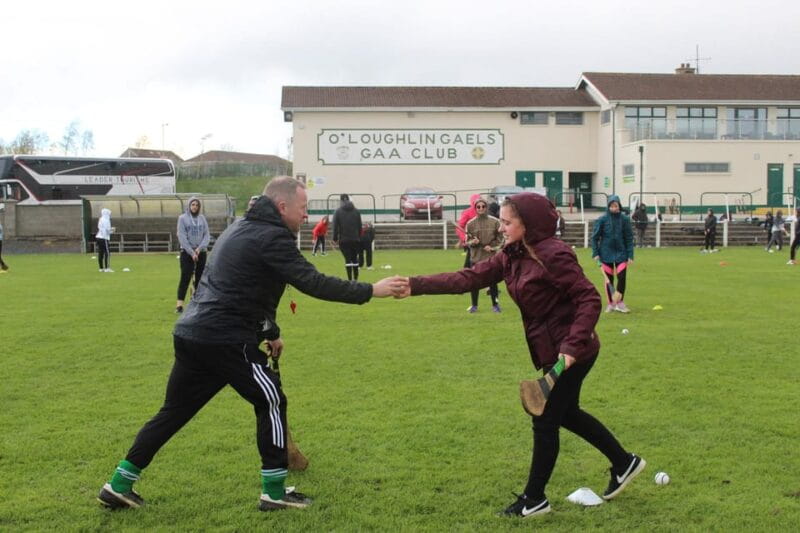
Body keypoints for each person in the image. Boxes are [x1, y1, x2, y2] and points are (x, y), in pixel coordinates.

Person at [97, 177, 405, 512]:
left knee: (173, 413)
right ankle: (274, 492)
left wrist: (270, 331)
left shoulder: (241, 226)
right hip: (224, 338)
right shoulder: (272, 236)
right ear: (283, 206)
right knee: (271, 398)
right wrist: (371, 290)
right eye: (303, 208)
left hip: (193, 334)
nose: (306, 216)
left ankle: (119, 485)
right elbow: (312, 282)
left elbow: (242, 285)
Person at [397, 192, 645, 518]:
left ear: (527, 224)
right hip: (550, 352)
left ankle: (534, 499)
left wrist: (570, 349)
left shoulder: (554, 255)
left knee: (545, 420)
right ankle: (624, 462)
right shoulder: (512, 254)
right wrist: (415, 285)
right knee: (566, 414)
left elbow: (589, 299)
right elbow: (469, 277)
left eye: (508, 221)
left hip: (574, 352)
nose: (502, 226)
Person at [591, 195, 634, 313]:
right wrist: (595, 253)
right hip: (605, 254)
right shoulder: (602, 220)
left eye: (616, 206)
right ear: (608, 207)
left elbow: (629, 238)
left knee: (622, 277)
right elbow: (594, 238)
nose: (614, 208)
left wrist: (630, 255)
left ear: (619, 206)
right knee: (609, 280)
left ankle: (620, 302)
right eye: (612, 206)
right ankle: (611, 303)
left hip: (621, 253)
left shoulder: (624, 219)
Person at [464, 199, 502, 313]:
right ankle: (474, 305)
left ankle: (495, 305)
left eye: (483, 206)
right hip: (476, 258)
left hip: (491, 258)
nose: (481, 209)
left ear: (487, 207)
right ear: (475, 208)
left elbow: (501, 240)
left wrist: (493, 248)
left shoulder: (495, 222)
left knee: (493, 282)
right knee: (474, 283)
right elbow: (467, 242)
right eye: (478, 207)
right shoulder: (470, 224)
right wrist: (473, 243)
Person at [175, 197, 210, 314]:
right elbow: (182, 236)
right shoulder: (182, 218)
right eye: (193, 204)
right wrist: (191, 252)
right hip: (187, 253)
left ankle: (197, 303)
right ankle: (179, 305)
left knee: (200, 279)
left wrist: (199, 249)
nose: (195, 207)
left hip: (201, 252)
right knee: (185, 277)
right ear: (189, 206)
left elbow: (207, 235)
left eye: (197, 205)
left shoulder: (202, 218)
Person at [333, 193, 362, 280]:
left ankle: (350, 279)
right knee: (354, 259)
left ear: (341, 200)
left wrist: (335, 238)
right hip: (355, 239)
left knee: (347, 259)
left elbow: (335, 226)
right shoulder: (356, 211)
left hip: (344, 240)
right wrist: (358, 236)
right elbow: (359, 226)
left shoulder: (338, 212)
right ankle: (356, 279)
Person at [456, 194, 482, 268]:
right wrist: (465, 238)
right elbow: (459, 227)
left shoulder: (484, 211)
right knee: (472, 262)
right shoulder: (467, 212)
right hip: (472, 242)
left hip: (483, 241)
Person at [96, 208, 113, 273]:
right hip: (104, 238)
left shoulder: (100, 219)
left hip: (98, 237)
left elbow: (101, 228)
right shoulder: (106, 220)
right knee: (107, 253)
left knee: (100, 252)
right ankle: (107, 268)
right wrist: (112, 230)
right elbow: (107, 230)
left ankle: (101, 268)